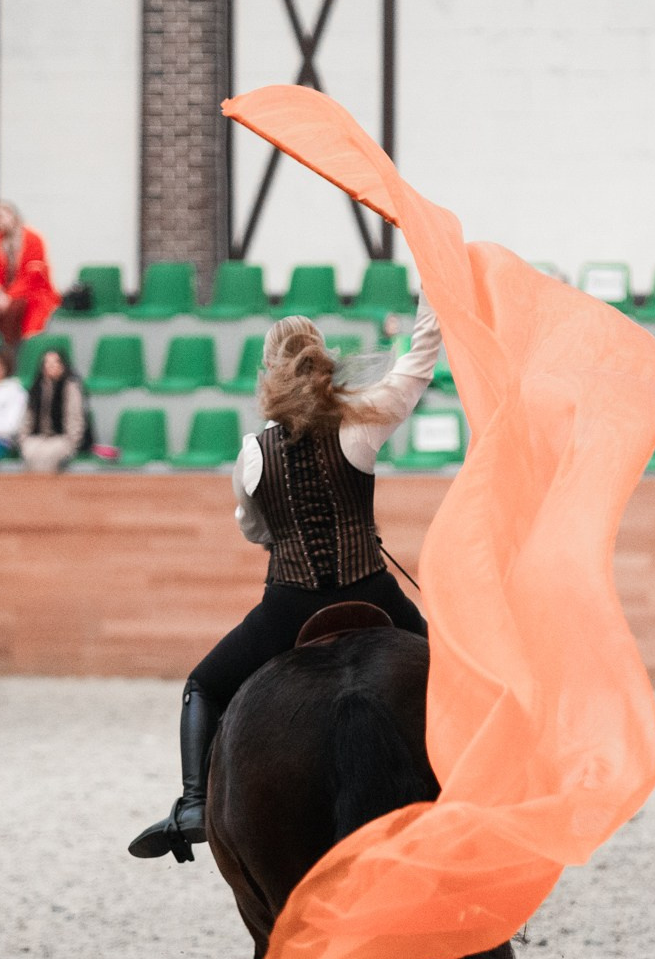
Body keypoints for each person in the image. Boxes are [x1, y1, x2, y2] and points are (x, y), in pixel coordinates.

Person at [129, 292, 442, 862]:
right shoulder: (361, 423)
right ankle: (487, 780)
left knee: (203, 685)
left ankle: (195, 804)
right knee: (449, 673)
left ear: (270, 371)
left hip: (290, 605)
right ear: (322, 359)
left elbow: (254, 531)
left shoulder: (253, 453)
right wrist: (432, 296)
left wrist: (290, 533)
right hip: (370, 588)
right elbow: (418, 361)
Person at [0, 200, 60, 363]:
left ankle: (9, 356)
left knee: (15, 308)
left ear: (14, 216)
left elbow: (33, 274)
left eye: (2, 215)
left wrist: (9, 296)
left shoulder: (33, 239)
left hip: (29, 292)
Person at [18, 347, 85, 474]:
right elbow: (28, 417)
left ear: (63, 365)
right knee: (29, 451)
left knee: (47, 456)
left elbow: (75, 418)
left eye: (55, 362)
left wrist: (71, 442)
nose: (51, 366)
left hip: (61, 437)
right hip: (38, 437)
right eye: (47, 363)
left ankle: (46, 491)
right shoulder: (36, 388)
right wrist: (23, 438)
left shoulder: (70, 387)